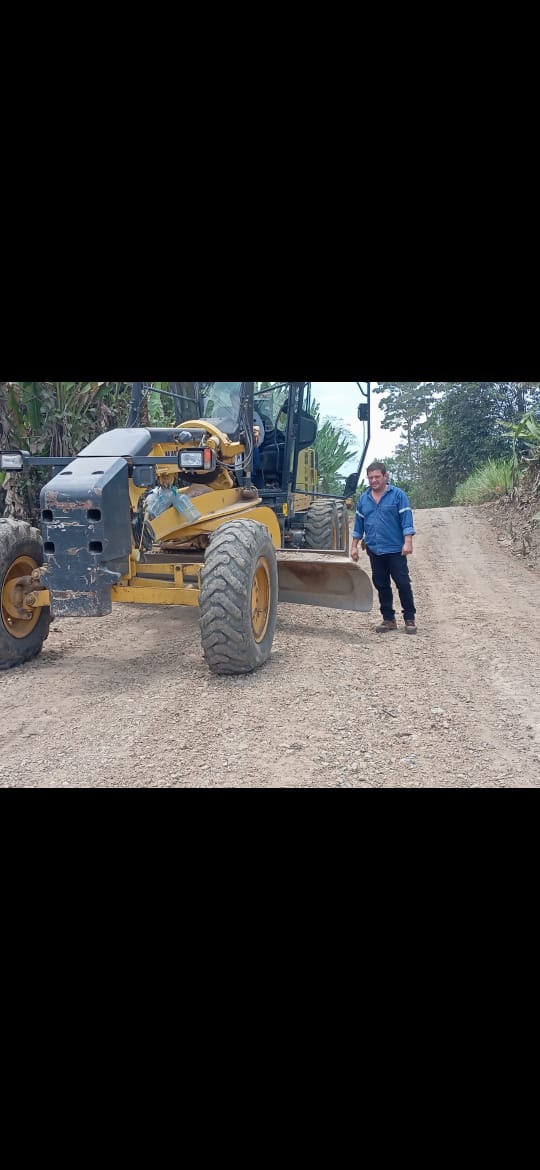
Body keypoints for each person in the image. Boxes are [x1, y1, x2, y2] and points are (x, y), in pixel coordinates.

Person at [350, 461, 417, 634]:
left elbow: (406, 520)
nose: (374, 480)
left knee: (403, 583)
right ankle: (388, 619)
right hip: (374, 549)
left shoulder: (398, 495)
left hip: (395, 549)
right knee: (381, 584)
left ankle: (409, 618)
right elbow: (358, 525)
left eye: (377, 477)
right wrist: (354, 546)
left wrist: (408, 541)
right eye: (370, 477)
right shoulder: (364, 499)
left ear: (385, 476)